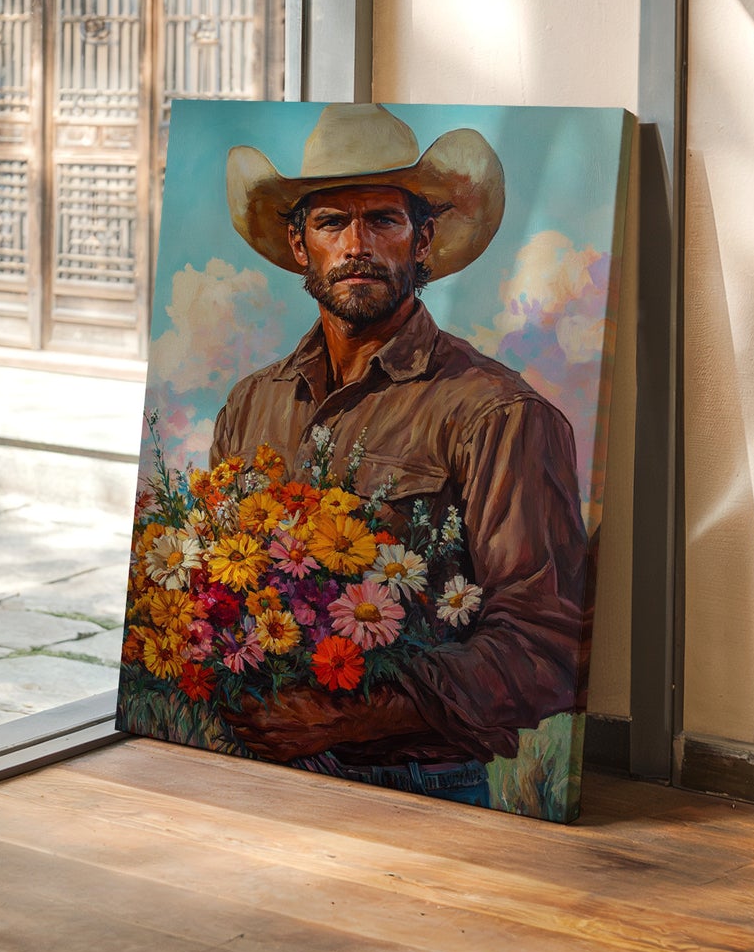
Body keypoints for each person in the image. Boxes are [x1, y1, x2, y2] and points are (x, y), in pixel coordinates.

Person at [211, 102, 589, 805]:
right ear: (299, 245)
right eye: (331, 222)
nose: (357, 245)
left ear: (423, 239)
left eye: (383, 219)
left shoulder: (498, 413)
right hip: (255, 764)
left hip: (418, 783)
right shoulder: (251, 404)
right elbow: (216, 590)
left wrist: (355, 715)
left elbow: (544, 644)